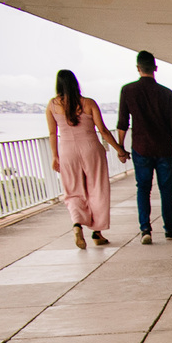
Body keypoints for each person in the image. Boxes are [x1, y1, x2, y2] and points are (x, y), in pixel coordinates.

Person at [46, 70, 129, 249]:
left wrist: (55, 156)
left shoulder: (52, 105)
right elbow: (104, 131)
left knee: (73, 190)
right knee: (97, 188)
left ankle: (77, 224)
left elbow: (53, 133)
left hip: (67, 151)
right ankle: (97, 233)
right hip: (91, 148)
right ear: (75, 83)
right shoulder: (88, 103)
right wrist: (120, 150)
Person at [116, 50, 172, 244]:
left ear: (138, 68)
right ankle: (169, 230)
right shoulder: (166, 93)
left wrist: (120, 148)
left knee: (143, 189)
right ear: (155, 68)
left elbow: (123, 123)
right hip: (164, 148)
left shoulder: (128, 91)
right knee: (166, 189)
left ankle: (145, 229)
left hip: (141, 148)